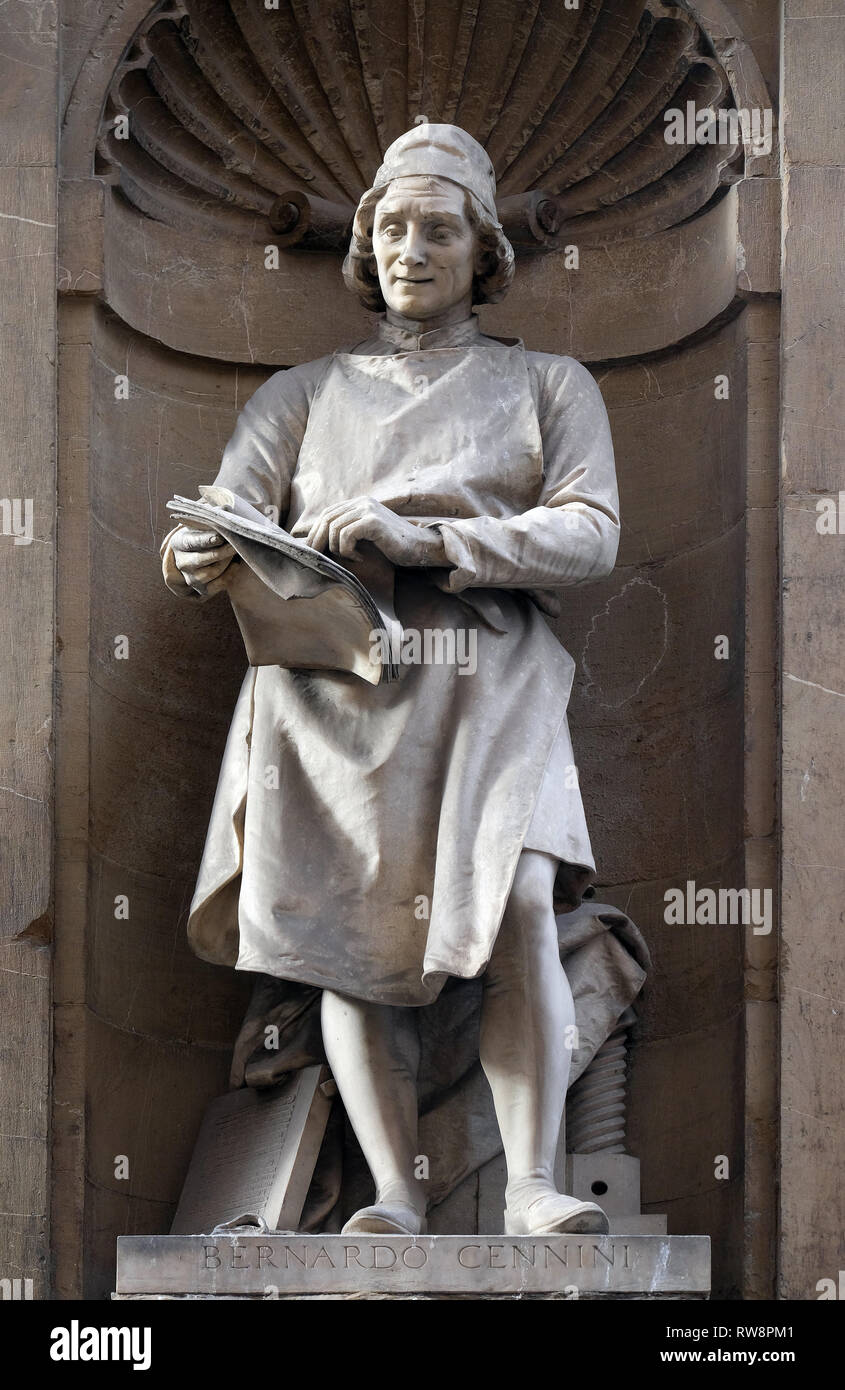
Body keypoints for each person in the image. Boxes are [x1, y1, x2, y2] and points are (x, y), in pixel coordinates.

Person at [162, 124, 620, 1238]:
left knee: (516, 909)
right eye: (393, 228)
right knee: (341, 938)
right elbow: (222, 512)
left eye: (440, 229)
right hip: (329, 691)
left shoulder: (545, 384)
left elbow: (590, 535)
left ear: (481, 251)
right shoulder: (301, 394)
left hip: (489, 679)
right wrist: (192, 556)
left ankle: (528, 1185)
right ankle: (396, 1195)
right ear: (366, 245)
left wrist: (423, 539)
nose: (413, 249)